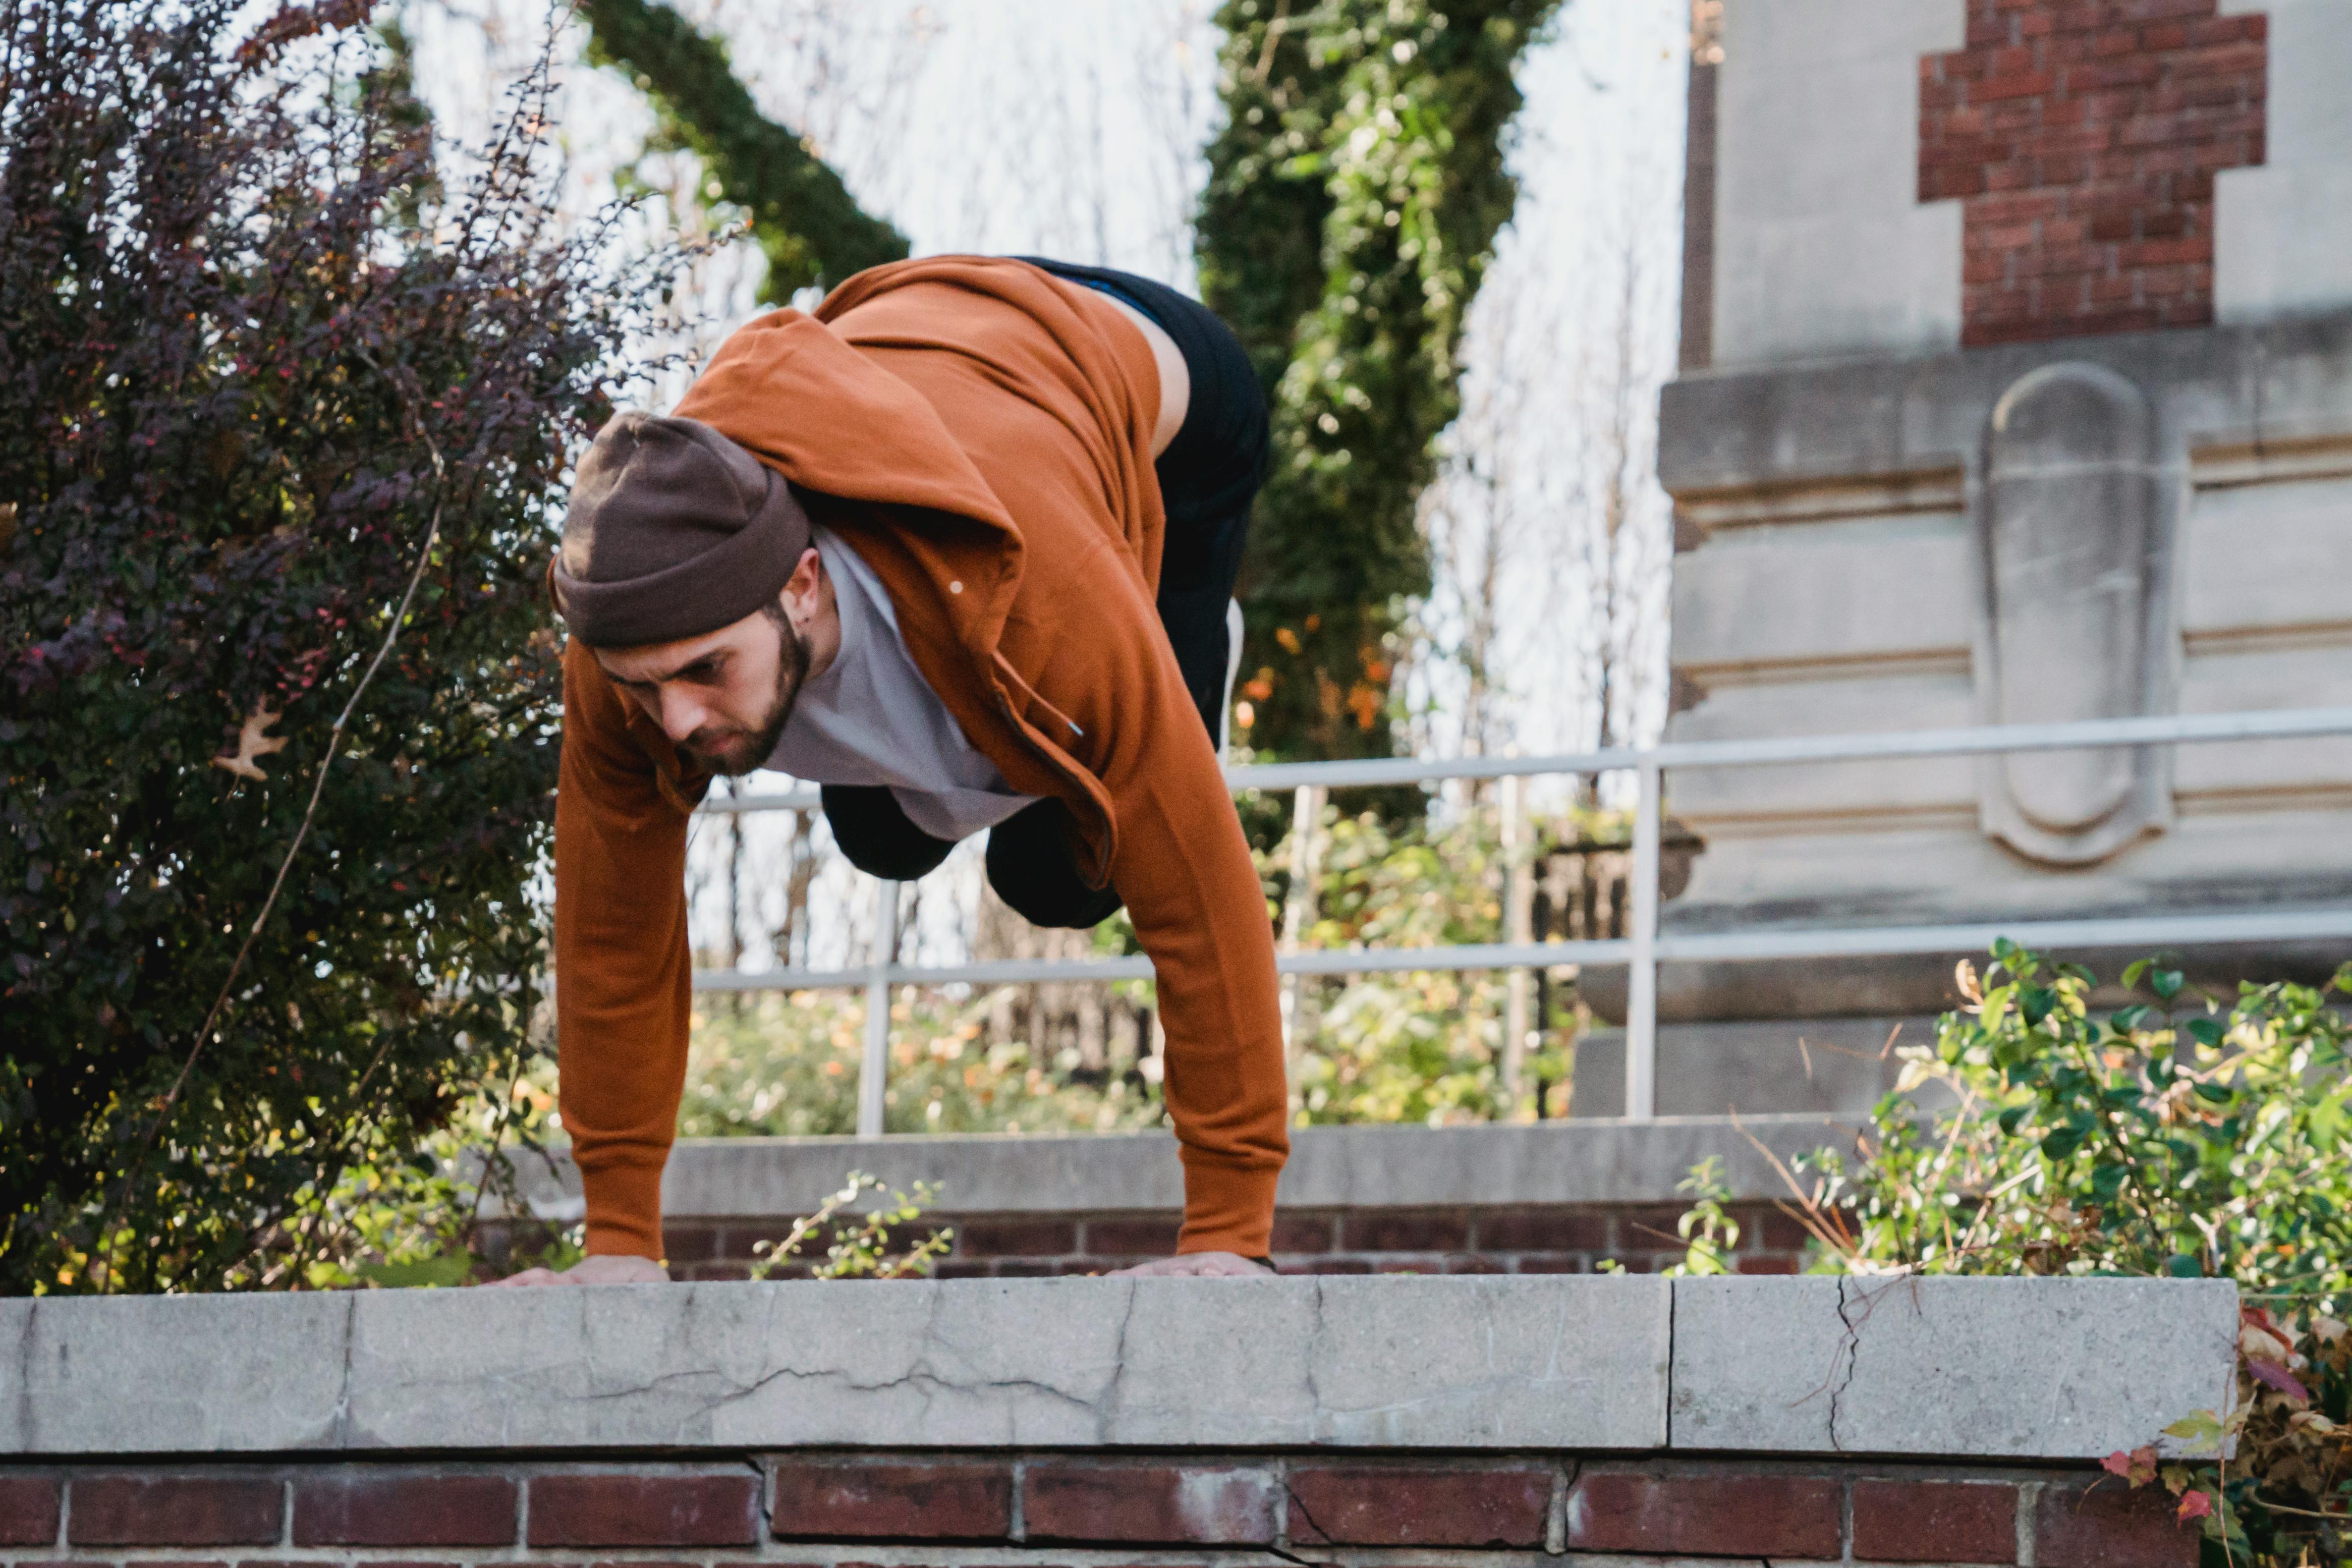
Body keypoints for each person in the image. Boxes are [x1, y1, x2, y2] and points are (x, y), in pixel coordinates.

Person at [493, 256, 1289, 1285]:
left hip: (1159, 402)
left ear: (804, 582)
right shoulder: (636, 631)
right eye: (648, 689)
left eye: (706, 671)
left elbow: (1202, 893)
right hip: (913, 346)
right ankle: (907, 725)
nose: (678, 718)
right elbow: (612, 930)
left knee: (1059, 878)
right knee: (880, 840)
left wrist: (1230, 1235)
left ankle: (1189, 662)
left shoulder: (1055, 597)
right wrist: (617, 1247)